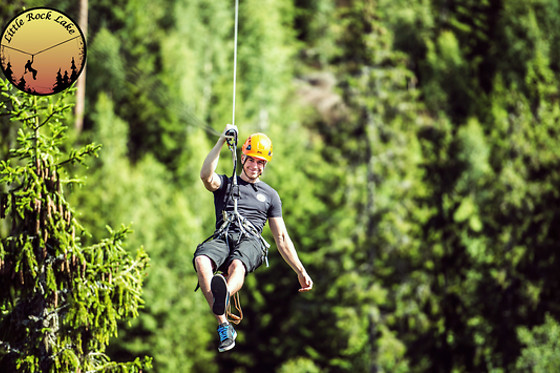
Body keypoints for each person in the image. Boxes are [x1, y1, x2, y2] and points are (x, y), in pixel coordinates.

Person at [193, 124, 313, 352]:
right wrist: (221, 141)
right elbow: (205, 176)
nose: (255, 166)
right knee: (201, 261)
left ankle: (224, 293)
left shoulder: (270, 196)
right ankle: (224, 326)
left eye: (261, 162)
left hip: (251, 242)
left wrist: (300, 270)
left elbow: (282, 238)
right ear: (243, 156)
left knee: (237, 265)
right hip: (224, 235)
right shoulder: (226, 184)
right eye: (251, 160)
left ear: (265, 165)